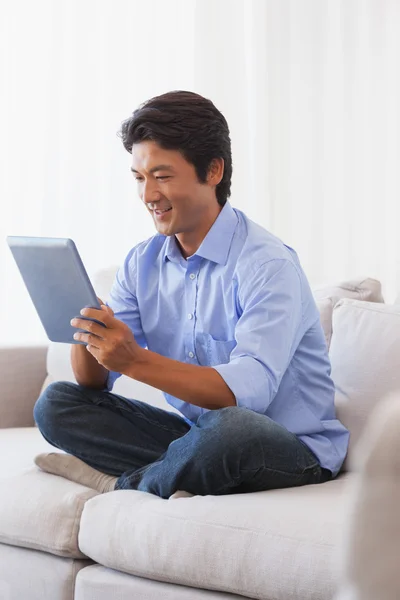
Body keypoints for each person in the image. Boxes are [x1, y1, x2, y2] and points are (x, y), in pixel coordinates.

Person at [33, 90, 349, 499]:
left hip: (289, 448)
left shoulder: (267, 264)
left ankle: (123, 483)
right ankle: (175, 472)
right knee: (58, 403)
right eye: (139, 178)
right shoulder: (141, 263)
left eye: (162, 176)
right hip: (199, 437)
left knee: (231, 427)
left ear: (213, 171)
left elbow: (247, 394)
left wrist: (135, 360)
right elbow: (94, 383)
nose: (148, 196)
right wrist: (89, 329)